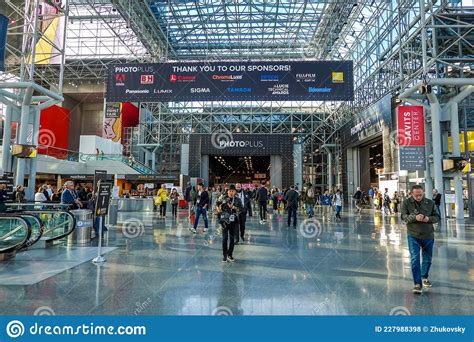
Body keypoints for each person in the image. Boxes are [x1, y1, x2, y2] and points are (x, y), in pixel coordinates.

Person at [401, 185, 440, 294]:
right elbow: (404, 217)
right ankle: (417, 283)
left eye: (420, 195)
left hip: (428, 235)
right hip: (413, 235)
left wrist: (428, 219)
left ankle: (424, 276)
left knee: (427, 259)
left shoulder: (430, 203)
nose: (418, 197)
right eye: (416, 195)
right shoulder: (406, 203)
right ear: (411, 194)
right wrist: (414, 217)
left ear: (423, 193)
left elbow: (437, 217)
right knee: (415, 259)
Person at [216, 184, 243, 263]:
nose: (231, 192)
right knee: (224, 238)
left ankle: (230, 255)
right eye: (230, 191)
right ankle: (224, 255)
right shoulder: (223, 198)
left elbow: (242, 209)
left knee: (232, 239)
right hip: (224, 221)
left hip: (233, 222)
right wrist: (218, 210)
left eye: (233, 191)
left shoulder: (237, 200)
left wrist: (233, 207)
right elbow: (217, 204)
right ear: (227, 191)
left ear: (235, 192)